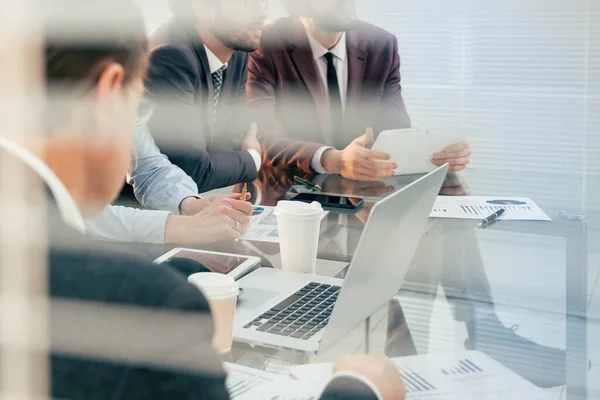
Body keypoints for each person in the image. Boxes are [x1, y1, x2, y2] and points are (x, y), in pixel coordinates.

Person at [0, 0, 407, 397]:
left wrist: (188, 213)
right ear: (108, 93)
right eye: (136, 105)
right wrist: (361, 389)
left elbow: (150, 164)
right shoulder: (148, 309)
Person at [247, 0, 472, 180]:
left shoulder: (381, 44)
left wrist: (434, 155)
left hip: (361, 196)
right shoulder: (264, 46)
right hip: (290, 194)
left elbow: (394, 131)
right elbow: (263, 138)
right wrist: (333, 160)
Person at [144, 0, 267, 193]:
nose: (261, 13)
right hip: (147, 208)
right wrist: (253, 158)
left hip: (201, 201)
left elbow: (236, 133)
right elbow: (192, 173)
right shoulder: (169, 57)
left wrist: (211, 161)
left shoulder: (236, 50)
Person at [84, 124, 253, 245]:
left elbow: (150, 168)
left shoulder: (120, 93)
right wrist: (181, 227)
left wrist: (188, 203)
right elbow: (66, 212)